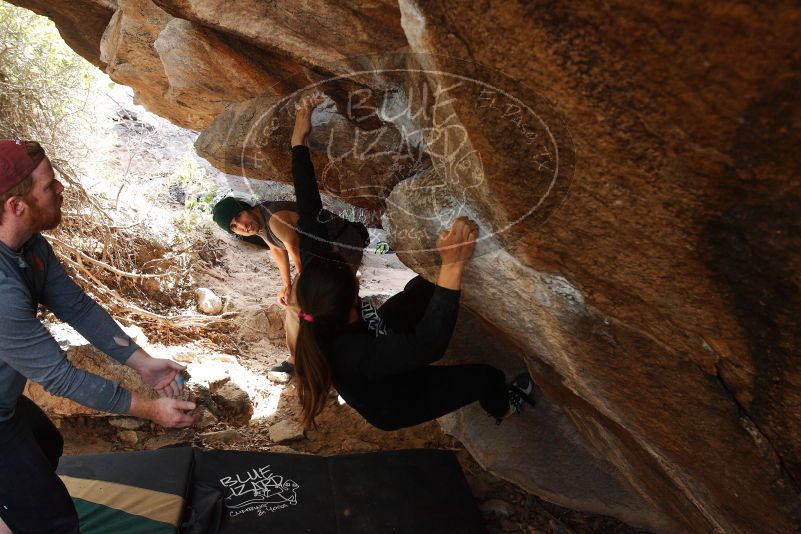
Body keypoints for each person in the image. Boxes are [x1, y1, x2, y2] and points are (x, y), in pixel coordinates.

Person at [288, 97, 535, 430]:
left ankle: (416, 330)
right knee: (486, 377)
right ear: (352, 302)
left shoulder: (321, 286)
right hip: (395, 401)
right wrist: (452, 266)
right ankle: (502, 407)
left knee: (423, 288)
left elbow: (307, 207)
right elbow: (429, 344)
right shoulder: (354, 354)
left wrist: (298, 143)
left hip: (374, 348)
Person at [0, 139, 197, 534]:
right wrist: (150, 409)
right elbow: (60, 377)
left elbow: (76, 307)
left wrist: (144, 364)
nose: (61, 190)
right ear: (16, 206)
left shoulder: (28, 245)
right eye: (49, 185)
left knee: (48, 446)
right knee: (53, 522)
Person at [211, 184, 369, 375]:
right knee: (306, 298)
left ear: (245, 208)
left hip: (343, 244)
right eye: (234, 227)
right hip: (324, 252)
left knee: (311, 300)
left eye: (238, 217)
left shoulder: (274, 219)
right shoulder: (259, 223)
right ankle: (320, 350)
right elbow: (276, 248)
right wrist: (286, 285)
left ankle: (303, 358)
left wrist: (301, 288)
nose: (242, 226)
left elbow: (295, 251)